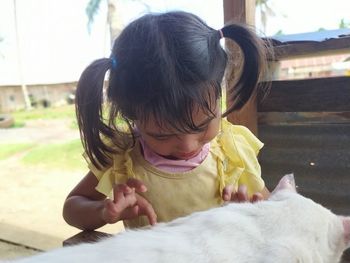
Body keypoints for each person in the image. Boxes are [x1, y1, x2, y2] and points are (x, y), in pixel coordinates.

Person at [63, 11, 270, 231]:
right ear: (132, 115)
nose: (187, 145)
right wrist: (105, 211)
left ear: (219, 95)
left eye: (202, 125)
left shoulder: (231, 151)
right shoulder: (123, 157)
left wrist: (249, 213)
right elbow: (72, 208)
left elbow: (270, 208)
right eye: (162, 135)